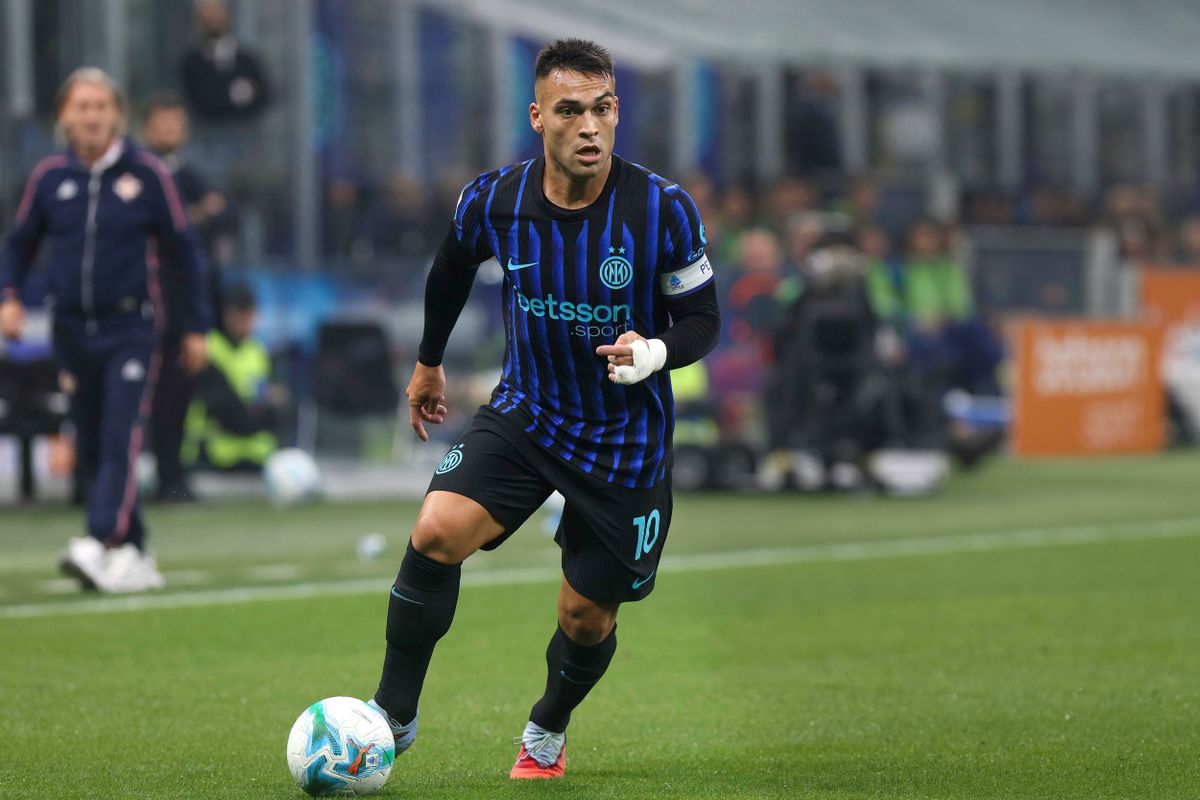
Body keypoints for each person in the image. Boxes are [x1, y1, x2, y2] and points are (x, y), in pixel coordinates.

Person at [366, 38, 720, 780]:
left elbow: (703, 319)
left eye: (603, 108)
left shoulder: (662, 209)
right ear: (537, 117)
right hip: (528, 413)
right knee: (435, 531)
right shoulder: (494, 199)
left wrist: (654, 352)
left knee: (584, 618)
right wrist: (429, 361)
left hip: (624, 442)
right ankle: (391, 716)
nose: (590, 126)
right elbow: (451, 267)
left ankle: (548, 726)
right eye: (570, 110)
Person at [0, 68, 211, 592]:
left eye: (100, 105)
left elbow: (185, 250)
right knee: (91, 441)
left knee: (121, 435)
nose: (91, 115)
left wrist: (196, 326)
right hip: (72, 331)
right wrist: (9, 296)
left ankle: (98, 539)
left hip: (131, 328)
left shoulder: (148, 174)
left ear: (118, 114)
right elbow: (19, 243)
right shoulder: (49, 178)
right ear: (64, 116)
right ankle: (134, 549)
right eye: (82, 106)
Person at [141, 93, 230, 500]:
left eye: (176, 124)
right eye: (162, 123)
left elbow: (221, 213)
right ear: (147, 128)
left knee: (177, 394)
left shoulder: (190, 174)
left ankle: (171, 476)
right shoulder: (139, 174)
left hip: (184, 304)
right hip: (145, 302)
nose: (170, 131)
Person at [182, 283, 282, 472]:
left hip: (257, 456)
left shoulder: (258, 351)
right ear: (226, 313)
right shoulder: (208, 347)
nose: (244, 321)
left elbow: (266, 396)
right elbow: (226, 409)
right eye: (239, 314)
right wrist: (267, 414)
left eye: (249, 315)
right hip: (212, 455)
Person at [180, 0, 271, 123]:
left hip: (244, 127)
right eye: (208, 16)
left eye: (217, 14)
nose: (214, 19)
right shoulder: (191, 62)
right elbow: (194, 99)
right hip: (206, 128)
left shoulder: (247, 58)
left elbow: (264, 94)